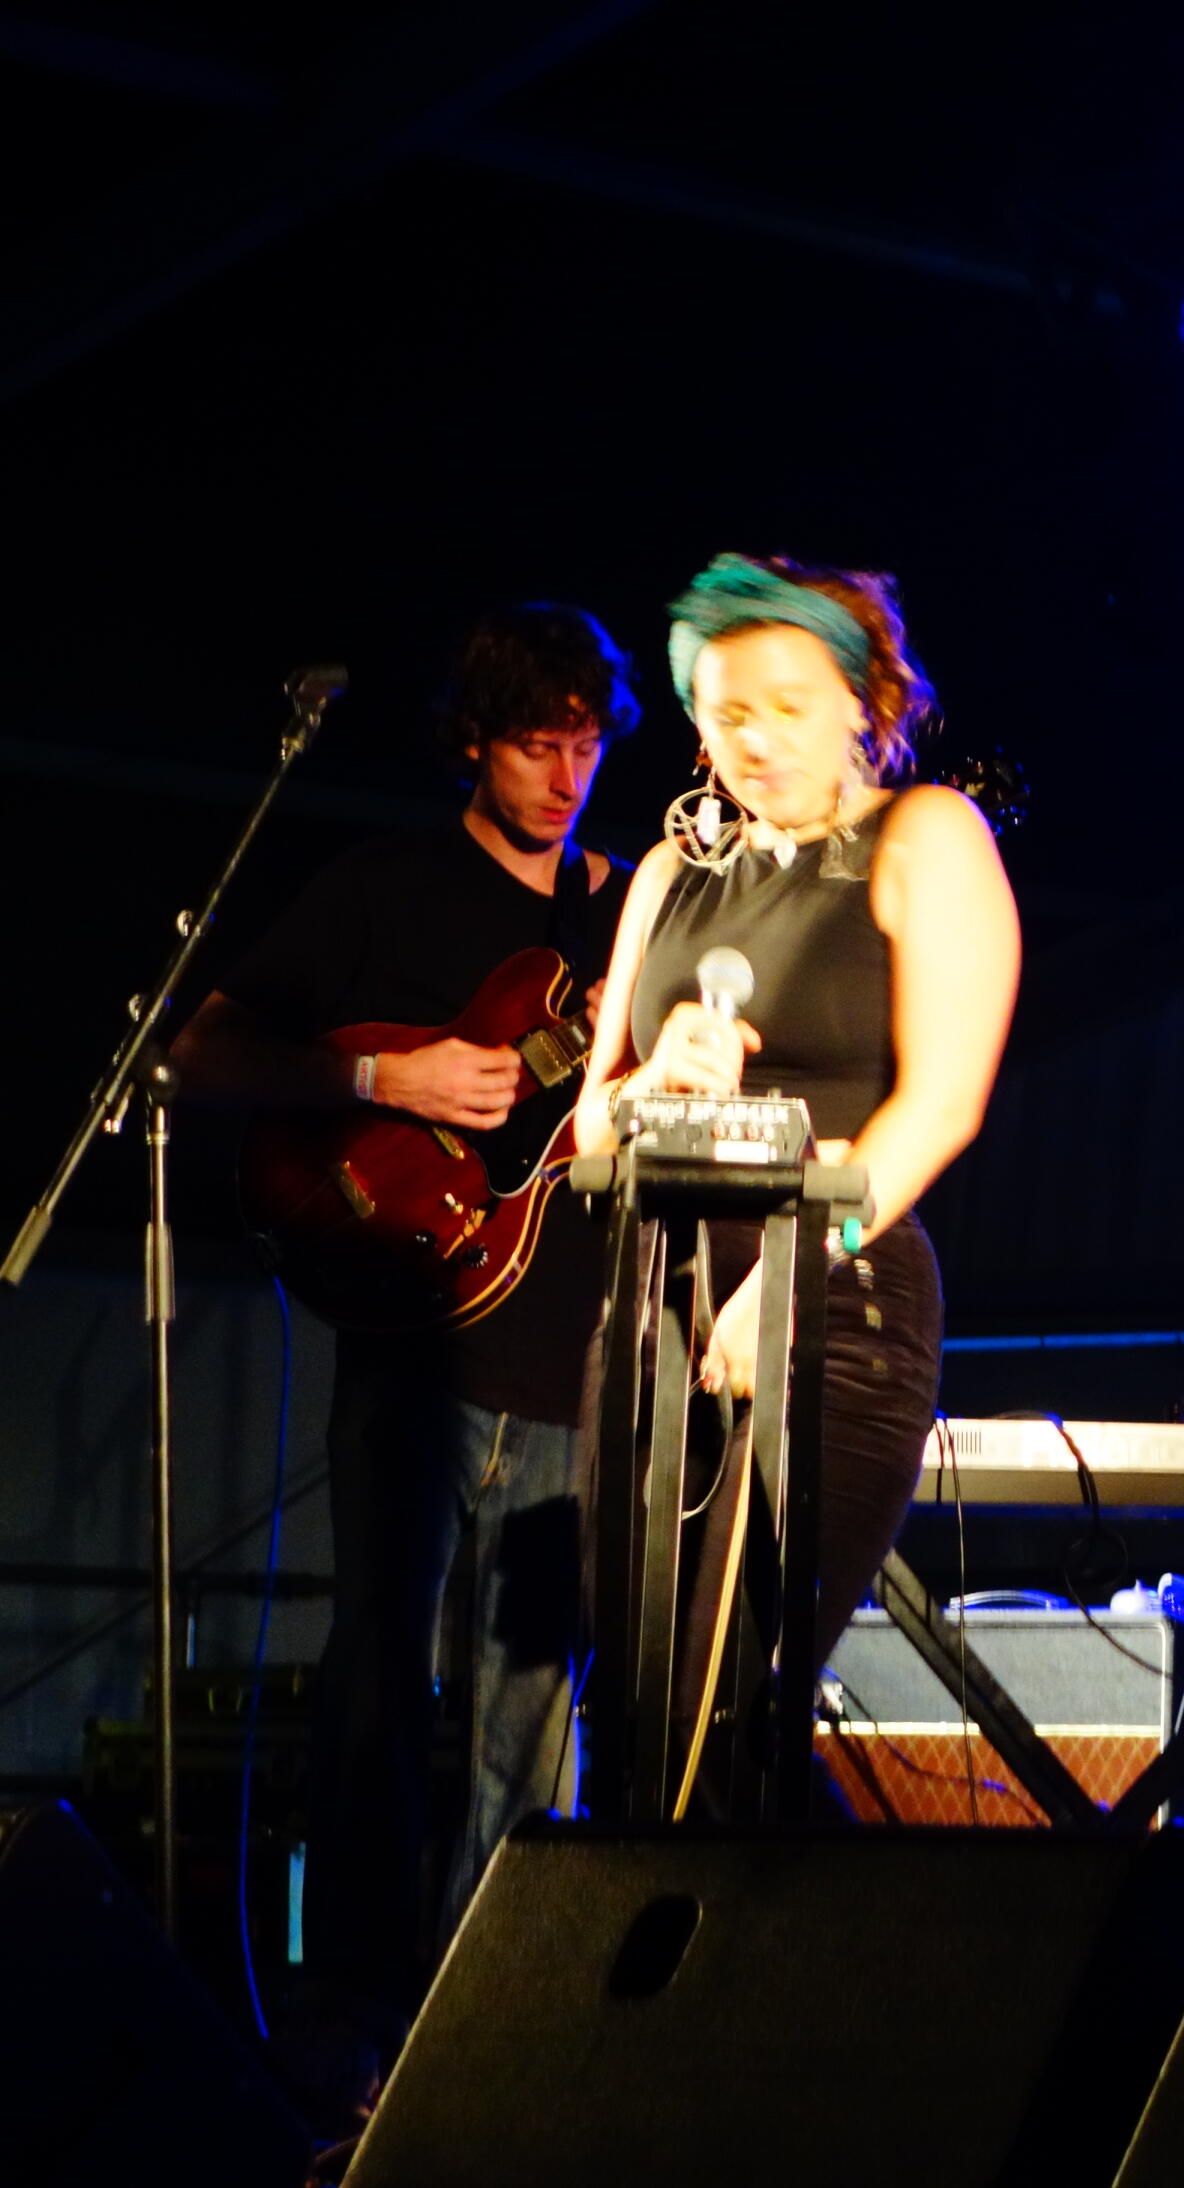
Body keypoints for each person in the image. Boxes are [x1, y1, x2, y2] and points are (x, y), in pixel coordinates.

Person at [170, 603, 640, 2119]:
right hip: (410, 1351)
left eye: (587, 742)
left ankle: (492, 2035)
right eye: (536, 742)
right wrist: (386, 1074)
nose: (565, 773)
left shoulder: (628, 911)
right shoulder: (382, 888)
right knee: (375, 1681)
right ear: (473, 740)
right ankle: (348, 2029)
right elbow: (201, 1051)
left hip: (564, 1352)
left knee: (531, 1711)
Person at [569, 552, 1016, 1800]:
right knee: (637, 1714)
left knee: (731, 1708)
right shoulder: (671, 876)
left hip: (832, 1301)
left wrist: (791, 1276)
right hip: (655, 1307)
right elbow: (590, 1133)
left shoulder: (923, 836)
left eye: (785, 706)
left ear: (862, 702)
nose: (752, 740)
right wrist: (653, 1087)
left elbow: (942, 1104)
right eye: (725, 713)